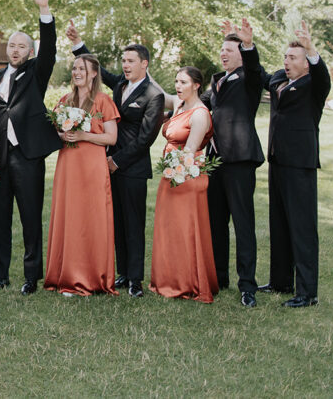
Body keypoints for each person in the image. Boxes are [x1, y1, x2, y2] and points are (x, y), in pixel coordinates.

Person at [68, 22, 165, 298]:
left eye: (131, 61)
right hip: (107, 165)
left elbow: (146, 138)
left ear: (144, 64)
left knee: (134, 223)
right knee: (117, 221)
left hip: (132, 167)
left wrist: (117, 161)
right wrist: (78, 44)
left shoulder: (154, 95)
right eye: (123, 60)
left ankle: (136, 279)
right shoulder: (121, 85)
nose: (125, 65)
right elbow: (97, 69)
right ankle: (122, 272)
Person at [0, 0, 62, 296]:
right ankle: (0, 275)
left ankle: (31, 277)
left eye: (21, 46)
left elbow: (50, 48)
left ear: (30, 51)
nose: (15, 50)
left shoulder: (36, 74)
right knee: (0, 220)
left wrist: (44, 9)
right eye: (11, 45)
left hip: (27, 157)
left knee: (30, 219)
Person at [257, 21, 330, 308]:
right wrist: (248, 48)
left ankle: (307, 292)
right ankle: (280, 281)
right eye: (286, 58)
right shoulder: (279, 81)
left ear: (306, 64)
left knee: (302, 227)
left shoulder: (314, 86)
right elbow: (260, 75)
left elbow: (324, 75)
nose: (287, 62)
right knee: (280, 224)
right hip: (277, 162)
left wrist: (311, 49)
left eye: (293, 58)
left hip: (300, 164)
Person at [201, 19, 266, 308]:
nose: (223, 54)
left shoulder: (250, 80)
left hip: (240, 160)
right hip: (214, 162)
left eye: (230, 49)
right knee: (215, 222)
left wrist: (249, 45)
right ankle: (219, 278)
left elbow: (254, 69)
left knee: (242, 223)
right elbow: (195, 103)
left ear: (241, 53)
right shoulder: (216, 81)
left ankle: (247, 286)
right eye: (222, 49)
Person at [44, 54, 120, 297]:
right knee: (70, 216)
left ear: (94, 73)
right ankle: (65, 274)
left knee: (92, 216)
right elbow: (56, 129)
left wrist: (85, 135)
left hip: (92, 165)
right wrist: (61, 135)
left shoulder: (103, 100)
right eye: (74, 68)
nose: (76, 72)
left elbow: (111, 137)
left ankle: (93, 276)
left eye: (82, 69)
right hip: (68, 164)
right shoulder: (65, 101)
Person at [149, 67, 218, 303]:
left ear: (197, 85)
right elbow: (159, 93)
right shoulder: (179, 105)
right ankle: (167, 278)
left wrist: (174, 170)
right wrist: (145, 72)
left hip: (187, 176)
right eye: (176, 81)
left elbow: (190, 151)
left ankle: (186, 282)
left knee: (184, 230)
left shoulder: (199, 113)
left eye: (184, 82)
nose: (178, 86)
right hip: (170, 174)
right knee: (168, 229)